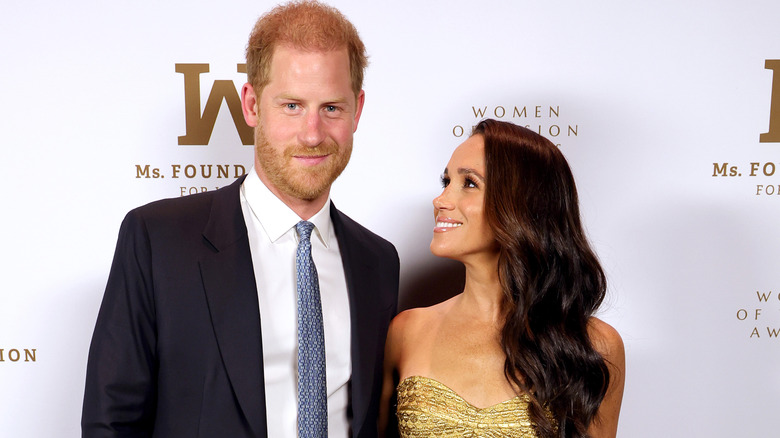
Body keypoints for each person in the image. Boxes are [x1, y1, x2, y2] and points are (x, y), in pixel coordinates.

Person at [82, 2, 399, 437]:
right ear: (251, 104)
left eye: (331, 108)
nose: (312, 133)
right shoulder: (158, 240)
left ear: (357, 110)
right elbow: (111, 422)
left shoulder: (377, 261)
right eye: (291, 105)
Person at [380, 119, 624, 438]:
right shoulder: (406, 331)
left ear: (522, 203)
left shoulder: (595, 345)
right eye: (446, 182)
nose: (441, 200)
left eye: (469, 183)